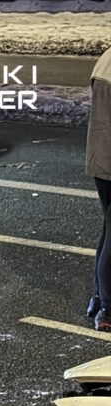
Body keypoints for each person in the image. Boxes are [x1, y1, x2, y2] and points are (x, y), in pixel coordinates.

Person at [87, 46, 111, 332]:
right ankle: (107, 310)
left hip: (102, 160)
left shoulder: (106, 59)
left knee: (109, 232)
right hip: (109, 161)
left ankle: (98, 297)